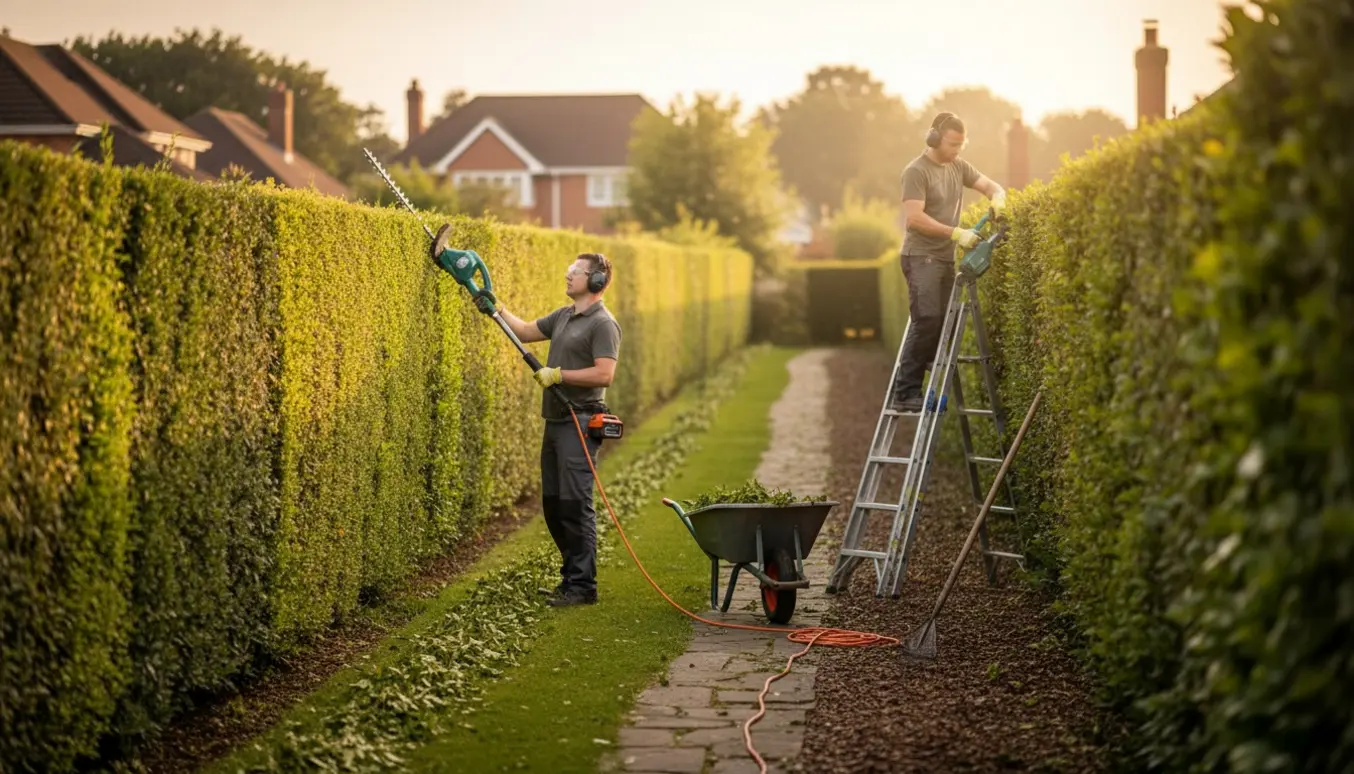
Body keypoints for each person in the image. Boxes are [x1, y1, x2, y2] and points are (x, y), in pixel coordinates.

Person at [476, 253, 622, 607]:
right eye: (569, 270)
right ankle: (570, 578)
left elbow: (604, 374)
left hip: (581, 421)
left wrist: (559, 375)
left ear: (598, 281)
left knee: (575, 504)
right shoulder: (563, 315)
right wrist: (496, 307)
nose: (568, 275)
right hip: (556, 420)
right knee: (554, 505)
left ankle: (583, 586)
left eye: (576, 272)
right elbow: (525, 331)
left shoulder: (603, 324)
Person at [890, 111, 1007, 413]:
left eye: (961, 145)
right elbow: (914, 219)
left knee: (945, 323)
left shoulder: (959, 167)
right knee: (926, 319)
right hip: (920, 256)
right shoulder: (916, 171)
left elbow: (990, 185)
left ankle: (926, 358)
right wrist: (957, 233)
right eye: (952, 144)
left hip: (943, 258)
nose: (956, 151)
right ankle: (905, 393)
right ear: (934, 138)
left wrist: (998, 196)